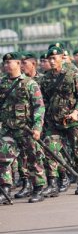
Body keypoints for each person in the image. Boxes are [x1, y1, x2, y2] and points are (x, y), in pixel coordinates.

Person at [41, 46, 78, 195]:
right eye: (49, 59)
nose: (51, 61)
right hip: (53, 122)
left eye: (54, 58)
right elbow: (44, 100)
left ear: (62, 58)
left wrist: (76, 112)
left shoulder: (72, 75)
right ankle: (53, 183)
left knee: (77, 151)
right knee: (50, 150)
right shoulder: (46, 78)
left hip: (71, 121)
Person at [0, 52, 47, 203]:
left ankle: (38, 188)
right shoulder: (2, 84)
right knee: (3, 157)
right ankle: (6, 189)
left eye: (10, 62)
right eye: (5, 63)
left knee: (33, 158)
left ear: (19, 63)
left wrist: (38, 128)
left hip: (27, 129)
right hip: (8, 129)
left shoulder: (30, 84)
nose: (7, 65)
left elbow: (39, 107)